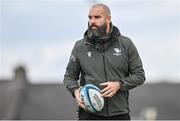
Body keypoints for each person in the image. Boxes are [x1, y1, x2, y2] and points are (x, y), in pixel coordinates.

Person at [63, 3, 145, 120]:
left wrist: (119, 85)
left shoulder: (126, 44)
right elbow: (69, 77)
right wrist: (75, 91)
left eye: (97, 17)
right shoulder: (80, 47)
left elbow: (140, 75)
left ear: (108, 19)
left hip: (119, 114)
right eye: (90, 17)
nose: (92, 21)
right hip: (89, 115)